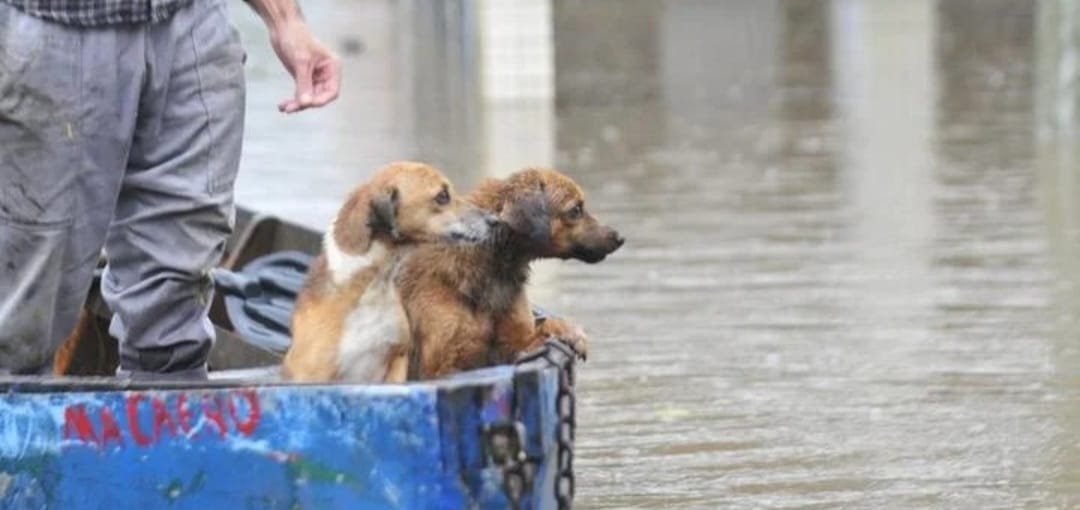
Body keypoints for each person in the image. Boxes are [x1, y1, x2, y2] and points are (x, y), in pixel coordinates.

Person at [0, 0, 340, 379]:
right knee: (18, 326)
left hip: (191, 30)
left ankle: (163, 426)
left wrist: (285, 19)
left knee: (172, 330)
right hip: (51, 27)